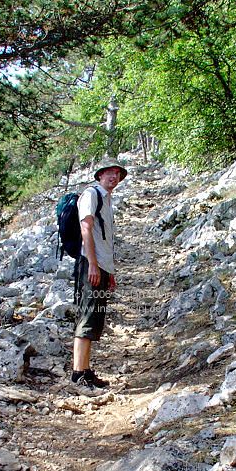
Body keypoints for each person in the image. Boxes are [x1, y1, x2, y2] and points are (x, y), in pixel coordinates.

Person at [71, 158, 128, 391]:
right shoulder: (91, 195)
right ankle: (77, 375)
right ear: (100, 175)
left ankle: (85, 370)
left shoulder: (106, 198)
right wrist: (93, 265)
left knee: (95, 318)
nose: (113, 177)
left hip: (101, 266)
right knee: (87, 318)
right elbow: (86, 228)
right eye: (109, 173)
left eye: (117, 174)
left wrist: (110, 272)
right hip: (90, 264)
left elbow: (106, 239)